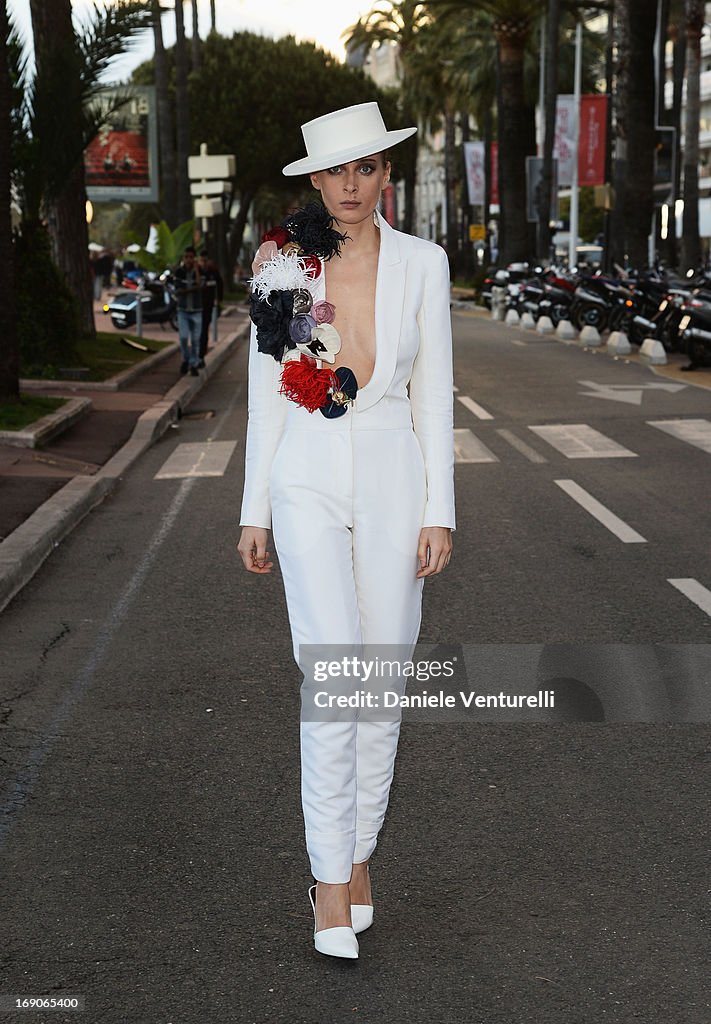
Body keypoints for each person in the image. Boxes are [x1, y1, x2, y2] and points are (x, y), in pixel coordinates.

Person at [236, 102, 455, 959]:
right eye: (336, 171)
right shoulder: (281, 264)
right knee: (333, 674)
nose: (351, 184)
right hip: (307, 474)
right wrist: (255, 507)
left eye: (366, 168)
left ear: (385, 175)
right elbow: (265, 392)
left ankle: (358, 856)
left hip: (394, 466)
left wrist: (440, 507)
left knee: (381, 681)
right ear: (315, 181)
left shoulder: (424, 264)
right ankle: (330, 881)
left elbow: (433, 392)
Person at [173, 245, 203, 376]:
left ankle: (193, 364)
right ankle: (185, 359)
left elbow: (200, 285)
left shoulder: (200, 271)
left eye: (191, 257)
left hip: (197, 310)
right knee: (184, 337)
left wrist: (196, 270)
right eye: (186, 257)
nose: (189, 260)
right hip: (183, 310)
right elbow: (178, 290)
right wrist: (193, 288)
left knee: (196, 340)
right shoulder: (179, 272)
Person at [197, 251, 224, 365]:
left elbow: (220, 285)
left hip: (207, 305)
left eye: (205, 260)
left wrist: (218, 301)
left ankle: (201, 356)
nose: (203, 263)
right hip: (196, 306)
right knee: (195, 332)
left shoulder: (213, 271)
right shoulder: (195, 271)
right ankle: (193, 357)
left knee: (203, 331)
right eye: (201, 260)